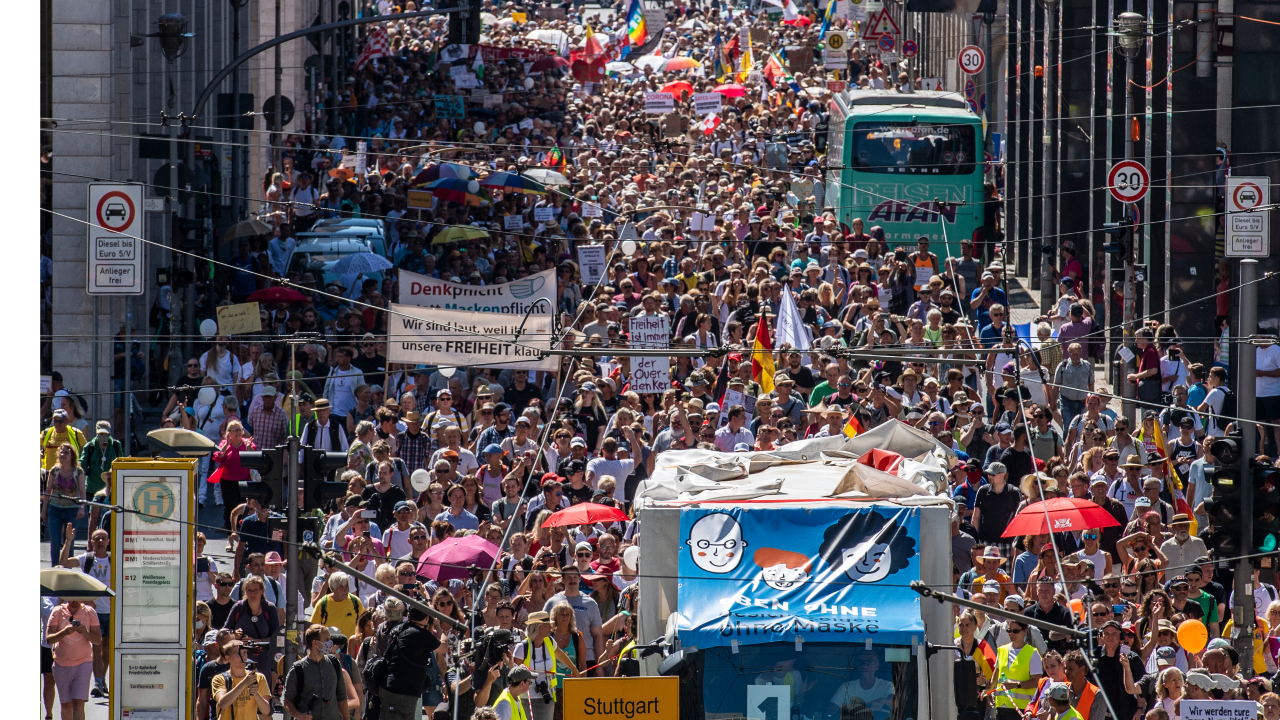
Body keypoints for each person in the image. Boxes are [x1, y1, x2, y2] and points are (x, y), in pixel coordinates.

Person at [58, 524, 112, 697]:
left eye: (103, 538)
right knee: (96, 647)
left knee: (107, 647)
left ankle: (102, 679)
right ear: (91, 542)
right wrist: (68, 541)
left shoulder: (114, 560)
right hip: (92, 611)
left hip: (112, 611)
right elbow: (64, 563)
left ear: (108, 541)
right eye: (97, 538)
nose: (100, 541)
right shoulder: (86, 559)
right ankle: (98, 681)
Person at [512, 611, 580, 720]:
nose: (550, 628)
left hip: (547, 696)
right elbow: (513, 674)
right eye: (546, 625)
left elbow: (561, 655)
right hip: (526, 698)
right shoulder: (522, 647)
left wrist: (574, 669)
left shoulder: (550, 642)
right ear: (537, 628)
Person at [46, 596, 102, 720]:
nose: (74, 602)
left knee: (78, 704)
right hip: (61, 664)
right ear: (66, 598)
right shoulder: (58, 611)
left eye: (77, 599)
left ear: (82, 599)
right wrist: (65, 632)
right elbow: (49, 639)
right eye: (71, 599)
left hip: (83, 662)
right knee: (66, 706)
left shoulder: (89, 612)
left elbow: (98, 640)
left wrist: (86, 633)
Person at [283, 624, 349, 720]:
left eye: (330, 639)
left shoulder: (334, 663)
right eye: (326, 639)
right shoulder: (298, 669)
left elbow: (342, 696)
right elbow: (287, 700)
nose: (330, 643)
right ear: (315, 643)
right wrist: (298, 715)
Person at [992, 620, 1044, 720]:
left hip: (1022, 708)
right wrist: (989, 688)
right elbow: (996, 672)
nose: (1011, 634)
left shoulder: (1033, 653)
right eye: (1009, 630)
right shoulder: (1002, 650)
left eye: (1015, 631)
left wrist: (1015, 685)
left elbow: (1036, 682)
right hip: (1002, 706)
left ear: (1025, 631)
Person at [211, 639, 272, 720]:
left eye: (245, 653)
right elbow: (222, 704)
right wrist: (244, 683)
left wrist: (255, 693)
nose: (243, 656)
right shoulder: (219, 679)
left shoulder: (258, 677)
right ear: (228, 658)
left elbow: (266, 711)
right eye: (238, 654)